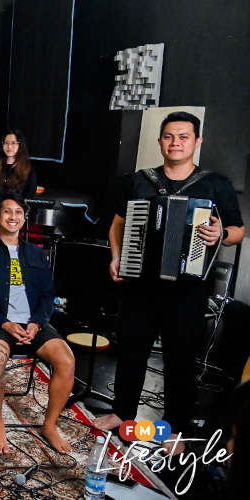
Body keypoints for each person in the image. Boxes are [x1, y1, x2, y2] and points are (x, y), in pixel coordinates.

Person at [94, 111, 245, 456]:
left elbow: (238, 231)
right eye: (169, 136)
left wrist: (221, 233)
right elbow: (118, 223)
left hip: (188, 290)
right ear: (161, 141)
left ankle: (175, 429)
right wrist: (116, 256)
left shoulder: (215, 184)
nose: (175, 143)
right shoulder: (141, 180)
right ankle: (122, 413)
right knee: (130, 352)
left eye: (184, 137)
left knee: (181, 362)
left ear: (197, 142)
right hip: (140, 285)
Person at [0, 191, 75, 454]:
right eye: (7, 211)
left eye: (18, 212)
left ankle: (49, 425)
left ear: (24, 218)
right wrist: (4, 323)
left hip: (32, 324)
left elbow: (47, 295)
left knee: (66, 361)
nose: (13, 217)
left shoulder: (36, 254)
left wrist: (36, 324)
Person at [0, 129, 37, 199]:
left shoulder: (28, 171)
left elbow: (30, 198)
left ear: (20, 145)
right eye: (6, 143)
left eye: (13, 143)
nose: (9, 146)